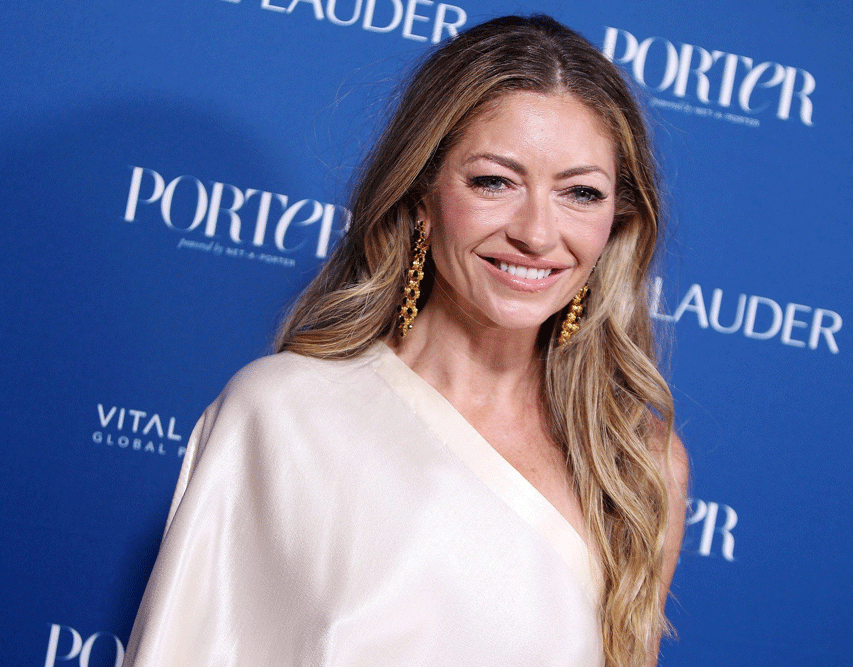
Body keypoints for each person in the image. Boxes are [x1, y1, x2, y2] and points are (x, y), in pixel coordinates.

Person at [123, 14, 688, 667]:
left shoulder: (636, 464)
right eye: (495, 181)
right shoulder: (281, 415)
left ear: (616, 222)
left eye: (581, 193)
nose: (537, 233)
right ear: (423, 195)